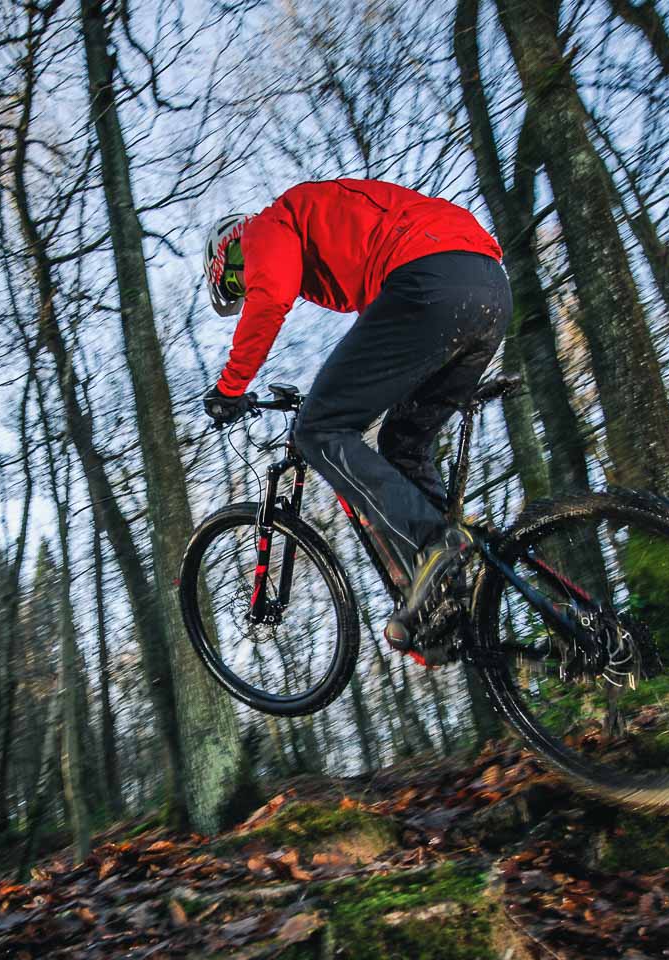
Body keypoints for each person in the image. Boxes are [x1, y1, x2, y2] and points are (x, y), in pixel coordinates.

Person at [202, 178, 511, 664]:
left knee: (317, 430)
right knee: (403, 445)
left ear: (231, 251)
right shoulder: (335, 238)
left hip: (430, 277)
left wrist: (229, 388)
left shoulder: (268, 225)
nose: (246, 288)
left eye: (236, 283)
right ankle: (444, 589)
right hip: (488, 287)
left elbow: (272, 296)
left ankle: (435, 541)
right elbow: (382, 341)